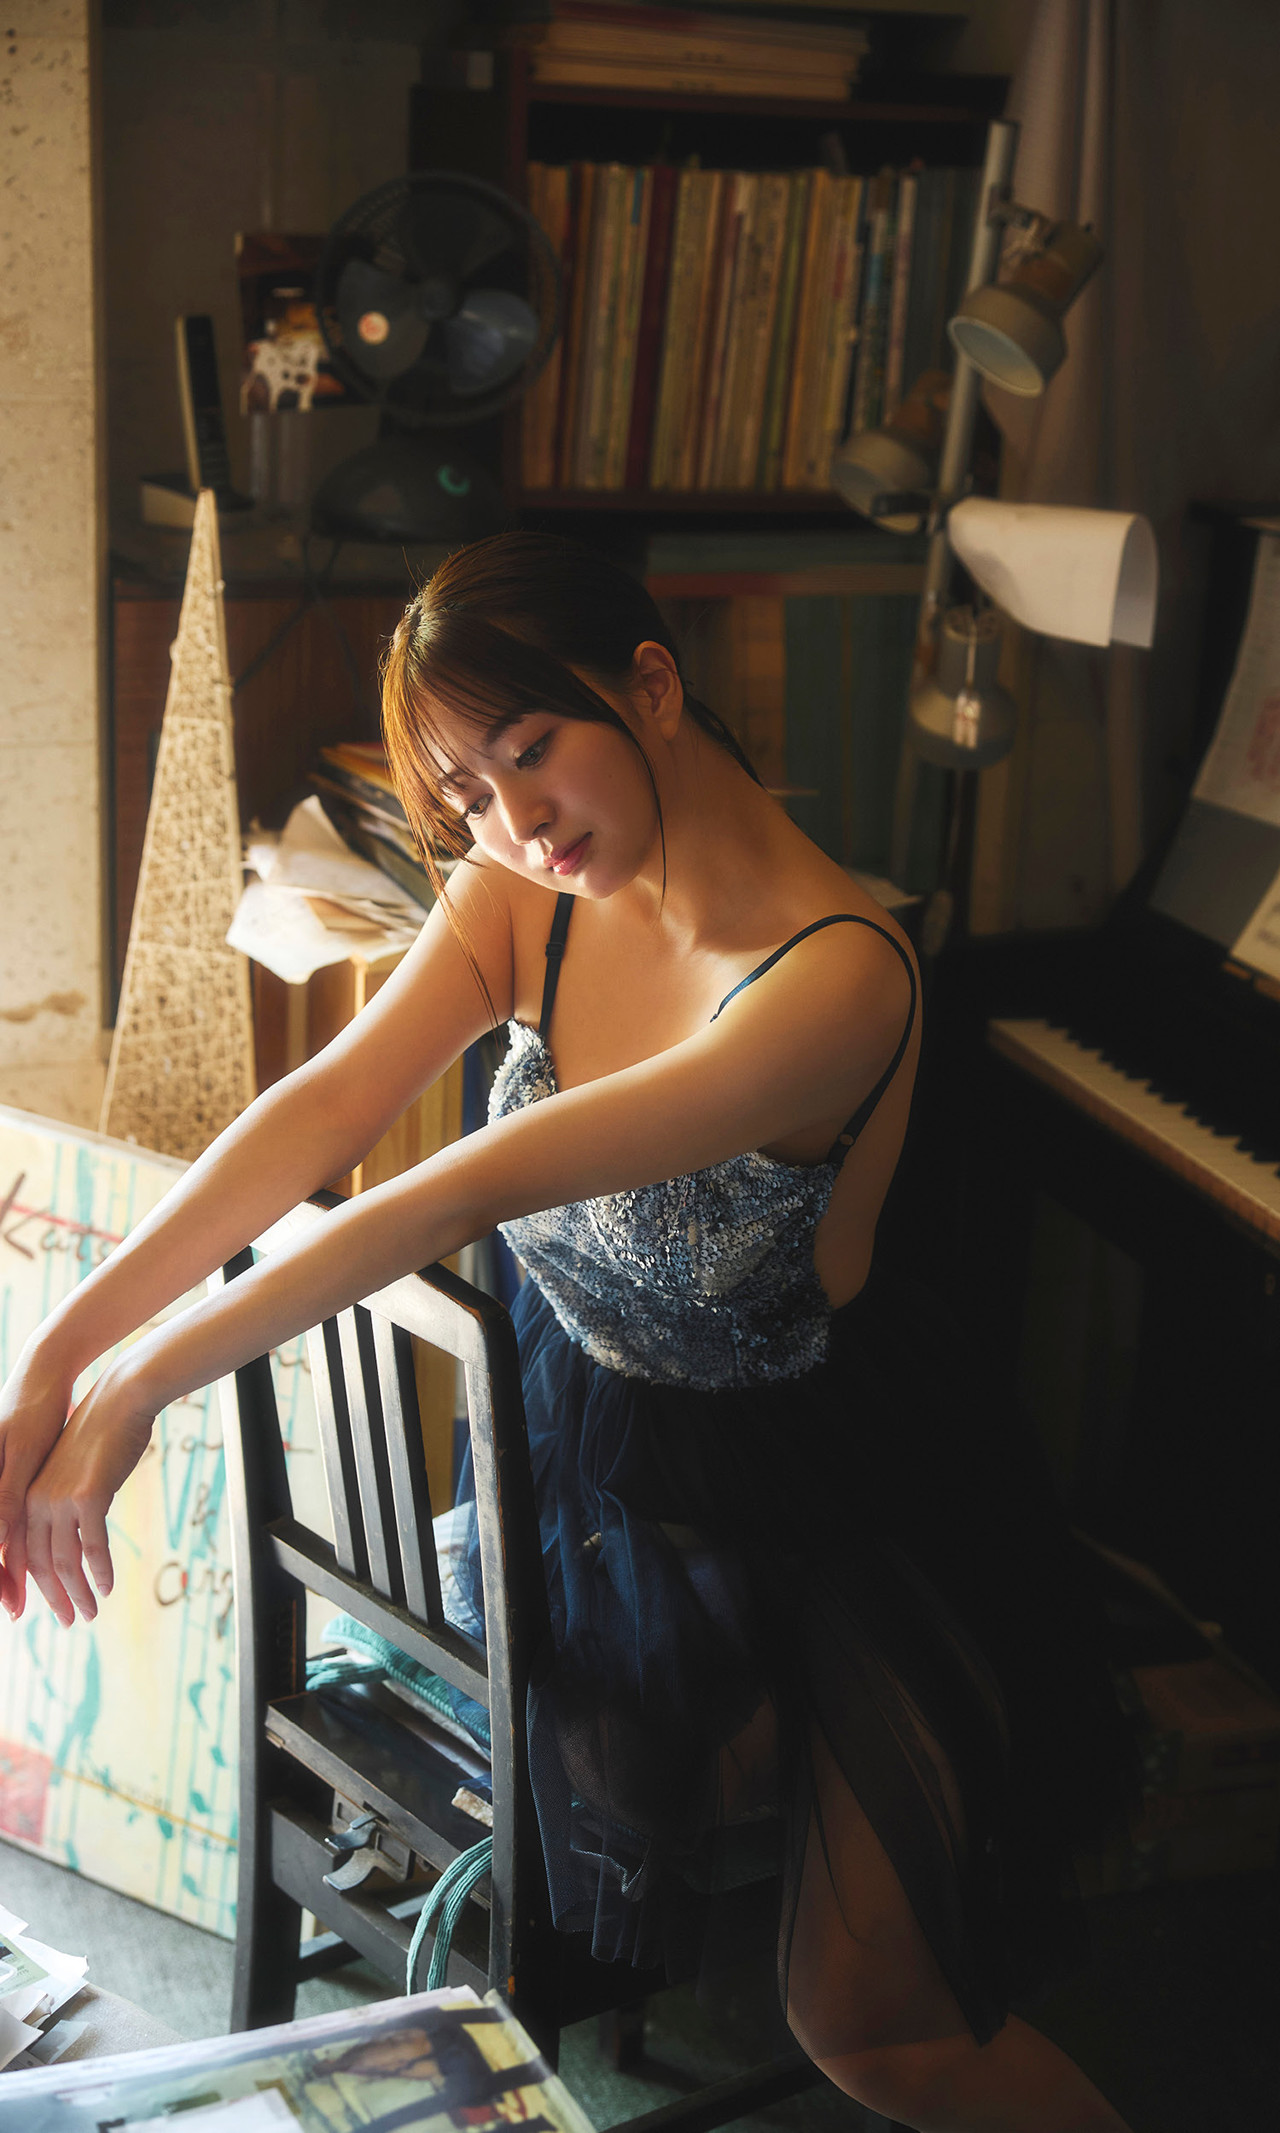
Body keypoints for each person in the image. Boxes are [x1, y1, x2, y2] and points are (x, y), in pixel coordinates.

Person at [0, 534, 1134, 2130]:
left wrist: (140, 1388)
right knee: (619, 1806)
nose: (516, 821)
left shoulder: (837, 977)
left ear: (650, 684)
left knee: (872, 2028)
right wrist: (60, 1356)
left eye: (532, 750)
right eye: (469, 795)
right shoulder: (530, 889)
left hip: (837, 1486)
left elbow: (457, 1185)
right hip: (604, 1448)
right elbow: (325, 1104)